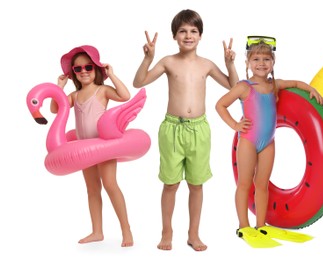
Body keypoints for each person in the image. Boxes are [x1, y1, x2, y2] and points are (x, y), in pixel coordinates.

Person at [132, 9, 238, 251]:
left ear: (201, 36)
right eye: (182, 31)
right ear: (174, 36)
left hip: (199, 130)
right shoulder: (168, 62)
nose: (188, 35)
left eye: (193, 31)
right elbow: (139, 82)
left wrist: (230, 64)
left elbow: (233, 86)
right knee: (170, 184)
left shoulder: (207, 65)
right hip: (172, 129)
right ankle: (166, 231)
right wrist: (148, 59)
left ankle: (193, 233)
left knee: (196, 184)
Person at [216, 36, 323, 248]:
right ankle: (243, 226)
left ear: (273, 63)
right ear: (248, 63)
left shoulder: (274, 85)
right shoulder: (243, 87)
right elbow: (220, 105)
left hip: (268, 142)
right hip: (247, 140)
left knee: (262, 184)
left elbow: (295, 83)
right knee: (245, 184)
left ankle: (261, 224)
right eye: (256, 59)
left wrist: (312, 89)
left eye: (266, 59)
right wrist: (235, 126)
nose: (261, 63)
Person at [50, 45, 134, 247]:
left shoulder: (102, 90)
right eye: (77, 69)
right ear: (73, 74)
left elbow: (125, 96)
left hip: (104, 147)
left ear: (97, 69)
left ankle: (126, 230)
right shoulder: (74, 95)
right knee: (92, 189)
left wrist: (112, 75)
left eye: (88, 67)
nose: (83, 72)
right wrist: (59, 87)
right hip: (84, 149)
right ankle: (97, 231)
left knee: (110, 185)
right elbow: (55, 109)